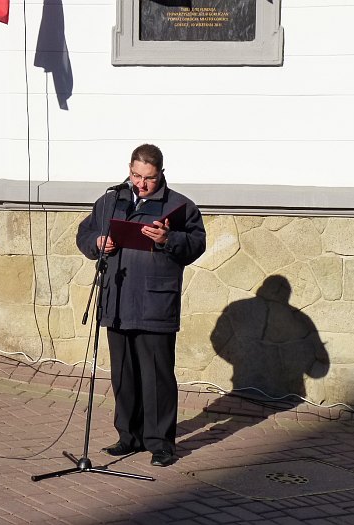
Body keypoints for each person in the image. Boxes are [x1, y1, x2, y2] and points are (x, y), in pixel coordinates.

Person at [76, 144, 206, 467]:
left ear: (161, 173)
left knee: (156, 376)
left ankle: (161, 444)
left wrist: (168, 239)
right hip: (117, 300)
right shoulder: (111, 200)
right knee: (123, 375)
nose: (141, 184)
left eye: (148, 178)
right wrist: (96, 242)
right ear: (129, 170)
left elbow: (196, 244)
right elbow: (84, 232)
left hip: (155, 304)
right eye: (136, 176)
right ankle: (129, 436)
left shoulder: (179, 207)